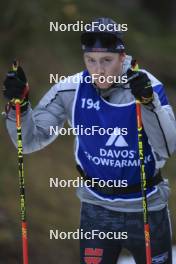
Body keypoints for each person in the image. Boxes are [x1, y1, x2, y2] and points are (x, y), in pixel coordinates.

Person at [3, 17, 176, 264]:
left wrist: (149, 104)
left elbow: (167, 147)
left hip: (146, 206)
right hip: (97, 209)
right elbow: (30, 141)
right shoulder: (70, 89)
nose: (99, 69)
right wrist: (19, 106)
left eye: (106, 60)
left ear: (121, 56)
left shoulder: (148, 86)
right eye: (91, 61)